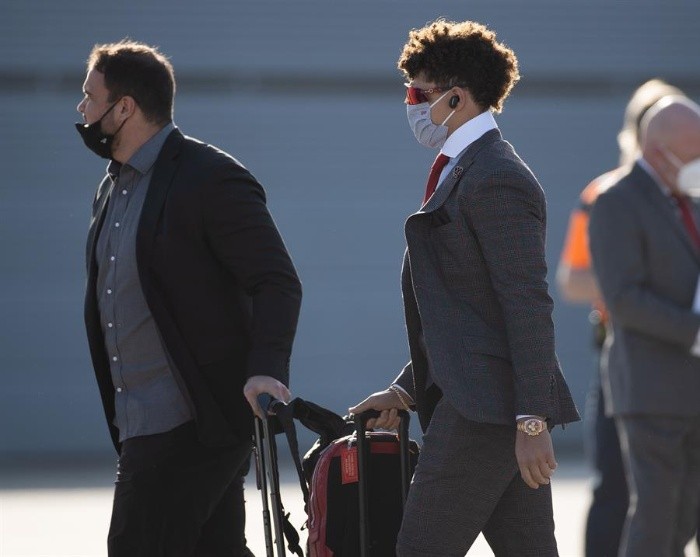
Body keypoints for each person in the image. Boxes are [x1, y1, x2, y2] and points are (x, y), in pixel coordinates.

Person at [349, 19, 579, 556]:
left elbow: (526, 304)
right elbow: (466, 313)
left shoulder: (497, 176)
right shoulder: (462, 168)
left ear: (457, 96)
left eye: (418, 94)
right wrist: (406, 390)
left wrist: (531, 421)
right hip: (490, 406)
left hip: (487, 412)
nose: (410, 105)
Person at [77, 40, 302, 556]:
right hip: (138, 424)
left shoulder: (210, 177)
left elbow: (276, 280)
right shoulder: (111, 188)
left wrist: (266, 370)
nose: (82, 109)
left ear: (124, 107)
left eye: (90, 97)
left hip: (194, 420)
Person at [556, 79, 684, 557]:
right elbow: (572, 280)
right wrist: (632, 280)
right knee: (615, 483)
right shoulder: (605, 195)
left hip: (683, 352)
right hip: (626, 351)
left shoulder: (688, 198)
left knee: (678, 492)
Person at [589, 96, 700, 557]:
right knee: (655, 514)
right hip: (650, 388)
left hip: (690, 387)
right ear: (658, 151)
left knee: (684, 515)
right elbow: (624, 299)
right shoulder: (616, 201)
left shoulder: (687, 199)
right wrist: (695, 331)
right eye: (693, 155)